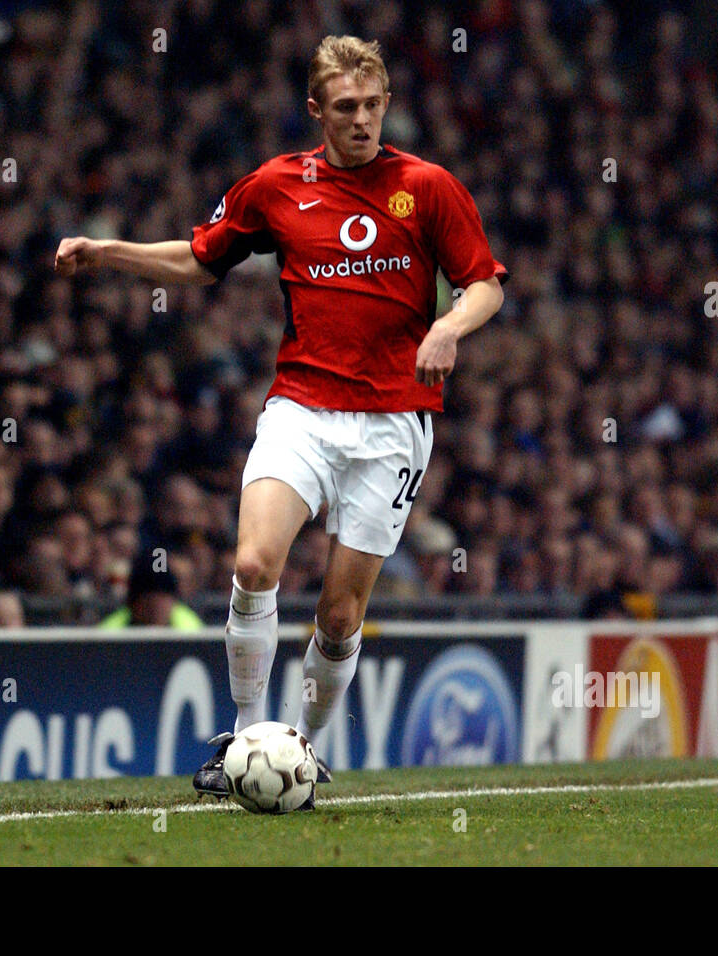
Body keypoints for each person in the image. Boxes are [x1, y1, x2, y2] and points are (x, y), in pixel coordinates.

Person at [56, 36, 506, 807]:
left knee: (338, 613)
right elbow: (200, 260)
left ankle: (306, 747)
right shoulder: (276, 185)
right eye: (344, 109)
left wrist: (449, 327)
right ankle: (242, 739)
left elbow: (486, 285)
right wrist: (108, 252)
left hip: (394, 423)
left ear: (387, 102)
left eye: (371, 106)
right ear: (316, 112)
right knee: (255, 564)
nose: (360, 121)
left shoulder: (428, 188)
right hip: (301, 408)